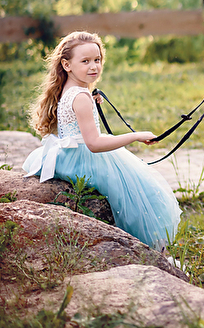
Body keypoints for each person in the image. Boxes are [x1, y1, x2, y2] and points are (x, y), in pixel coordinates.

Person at [24, 31, 181, 250]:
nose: (94, 67)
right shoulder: (81, 97)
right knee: (138, 192)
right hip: (82, 159)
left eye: (97, 60)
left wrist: (90, 99)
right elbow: (94, 144)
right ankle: (146, 246)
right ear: (67, 65)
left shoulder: (71, 90)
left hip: (68, 156)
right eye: (85, 61)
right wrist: (135, 136)